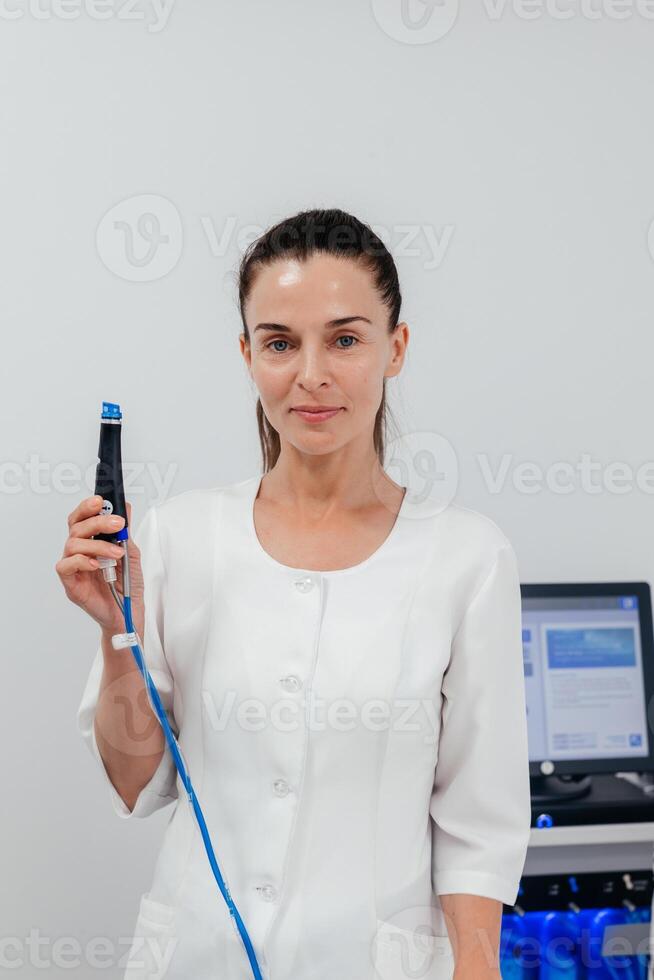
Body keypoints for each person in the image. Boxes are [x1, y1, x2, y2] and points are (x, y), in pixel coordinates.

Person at [57, 208, 531, 980]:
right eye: (280, 342)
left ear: (395, 348)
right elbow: (135, 779)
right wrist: (117, 634)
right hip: (194, 956)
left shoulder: (465, 557)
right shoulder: (177, 539)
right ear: (248, 356)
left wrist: (478, 970)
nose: (311, 373)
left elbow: (479, 827)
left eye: (345, 339)